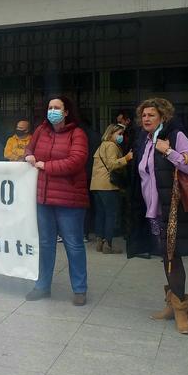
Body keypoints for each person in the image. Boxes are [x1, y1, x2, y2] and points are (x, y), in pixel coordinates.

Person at [126, 98, 188, 335]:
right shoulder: (145, 140)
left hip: (173, 209)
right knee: (166, 255)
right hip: (153, 210)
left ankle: (182, 309)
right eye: (144, 116)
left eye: (152, 115)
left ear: (163, 117)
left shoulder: (176, 135)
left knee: (174, 256)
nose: (146, 119)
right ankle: (173, 304)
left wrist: (169, 151)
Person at [24, 96, 89, 306]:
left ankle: (79, 289)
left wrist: (45, 166)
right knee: (45, 244)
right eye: (50, 107)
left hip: (69, 199)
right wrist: (28, 157)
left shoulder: (77, 134)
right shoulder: (41, 131)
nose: (52, 110)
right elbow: (29, 150)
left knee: (73, 244)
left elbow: (76, 161)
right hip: (43, 198)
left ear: (66, 111)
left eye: (57, 108)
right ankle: (42, 285)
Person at [90, 124, 132, 254]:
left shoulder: (101, 146)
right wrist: (126, 158)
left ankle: (99, 242)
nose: (121, 137)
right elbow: (112, 164)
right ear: (111, 133)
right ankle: (108, 244)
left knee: (101, 214)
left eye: (122, 134)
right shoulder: (112, 146)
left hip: (96, 185)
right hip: (108, 185)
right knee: (110, 215)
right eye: (119, 134)